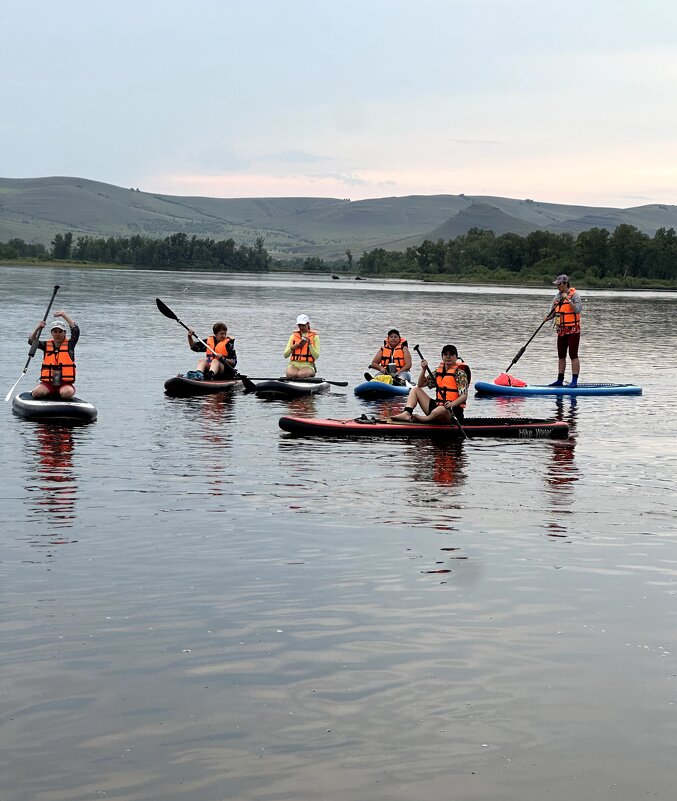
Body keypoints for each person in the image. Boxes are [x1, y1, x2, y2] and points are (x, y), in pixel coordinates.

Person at [391, 344, 470, 423]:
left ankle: (425, 419)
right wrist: (424, 370)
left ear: (456, 357)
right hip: (436, 408)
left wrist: (452, 404)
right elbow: (421, 384)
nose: (448, 357)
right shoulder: (438, 372)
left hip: (452, 412)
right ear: (442, 357)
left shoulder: (460, 374)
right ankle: (406, 413)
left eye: (451, 354)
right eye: (446, 354)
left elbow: (464, 396)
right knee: (415, 390)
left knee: (441, 409)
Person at [28, 310, 79, 399]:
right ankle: (43, 392)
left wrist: (63, 315)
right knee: (37, 393)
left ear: (64, 333)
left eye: (60, 332)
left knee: (66, 393)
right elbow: (31, 341)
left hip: (65, 384)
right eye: (55, 332)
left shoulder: (70, 345)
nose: (57, 334)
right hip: (48, 383)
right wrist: (38, 328)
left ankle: (61, 395)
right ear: (52, 333)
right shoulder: (46, 345)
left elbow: (76, 330)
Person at [546, 274, 582, 387]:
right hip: (561, 330)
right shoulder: (557, 297)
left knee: (573, 355)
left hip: (573, 330)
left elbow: (577, 310)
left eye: (559, 284)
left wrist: (568, 299)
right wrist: (548, 317)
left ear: (566, 284)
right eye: (557, 284)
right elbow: (554, 311)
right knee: (561, 355)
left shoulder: (575, 295)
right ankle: (559, 380)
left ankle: (574, 381)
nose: (557, 286)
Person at [284, 314, 320, 378]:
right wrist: (292, 348)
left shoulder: (315, 337)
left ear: (308, 324)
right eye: (299, 325)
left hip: (308, 365)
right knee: (290, 374)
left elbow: (316, 356)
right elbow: (285, 355)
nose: (301, 327)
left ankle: (309, 375)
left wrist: (310, 344)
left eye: (303, 325)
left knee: (301, 375)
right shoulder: (293, 336)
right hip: (294, 364)